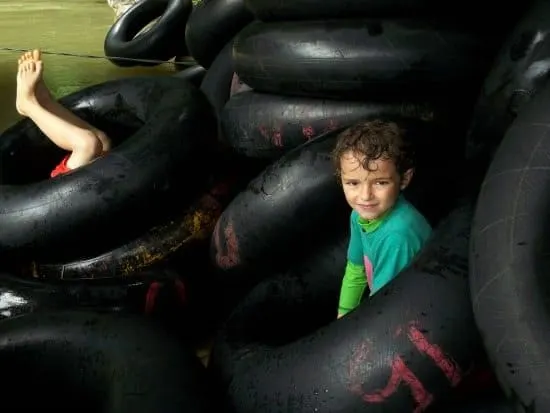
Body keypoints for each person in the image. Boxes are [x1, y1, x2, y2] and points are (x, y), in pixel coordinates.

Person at [332, 119, 432, 319]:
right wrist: (342, 316)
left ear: (404, 179)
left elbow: (383, 307)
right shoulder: (358, 215)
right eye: (353, 183)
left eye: (380, 182)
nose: (365, 196)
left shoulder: (397, 236)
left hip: (412, 316)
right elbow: (355, 269)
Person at [15, 49, 111, 178]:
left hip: (74, 187)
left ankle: (45, 102)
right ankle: (27, 104)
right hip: (62, 194)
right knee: (89, 144)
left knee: (101, 140)